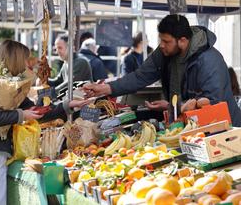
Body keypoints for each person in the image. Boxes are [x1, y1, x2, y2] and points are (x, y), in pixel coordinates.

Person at [0, 40, 90, 205]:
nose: (27, 64)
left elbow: (37, 113)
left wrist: (67, 106)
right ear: (14, 60)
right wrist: (21, 114)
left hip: (2, 158)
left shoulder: (14, 89)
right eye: (24, 60)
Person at [83, 14, 241, 126]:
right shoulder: (166, 51)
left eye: (166, 41)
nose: (162, 45)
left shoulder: (209, 60)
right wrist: (105, 88)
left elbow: (212, 102)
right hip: (189, 126)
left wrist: (174, 107)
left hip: (224, 128)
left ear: (183, 41)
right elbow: (141, 75)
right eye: (160, 40)